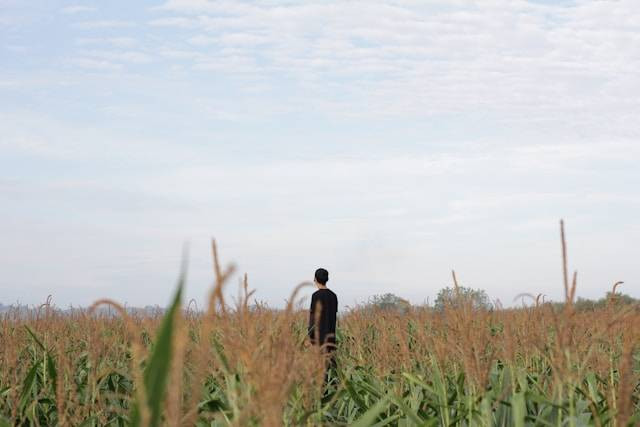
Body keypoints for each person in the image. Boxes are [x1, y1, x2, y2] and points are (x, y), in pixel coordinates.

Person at [308, 268, 338, 388]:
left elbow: (313, 317)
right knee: (330, 368)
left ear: (315, 279)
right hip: (331, 337)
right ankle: (333, 392)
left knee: (320, 369)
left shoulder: (316, 296)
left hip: (319, 338)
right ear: (327, 279)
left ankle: (322, 394)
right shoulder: (333, 296)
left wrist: (310, 335)